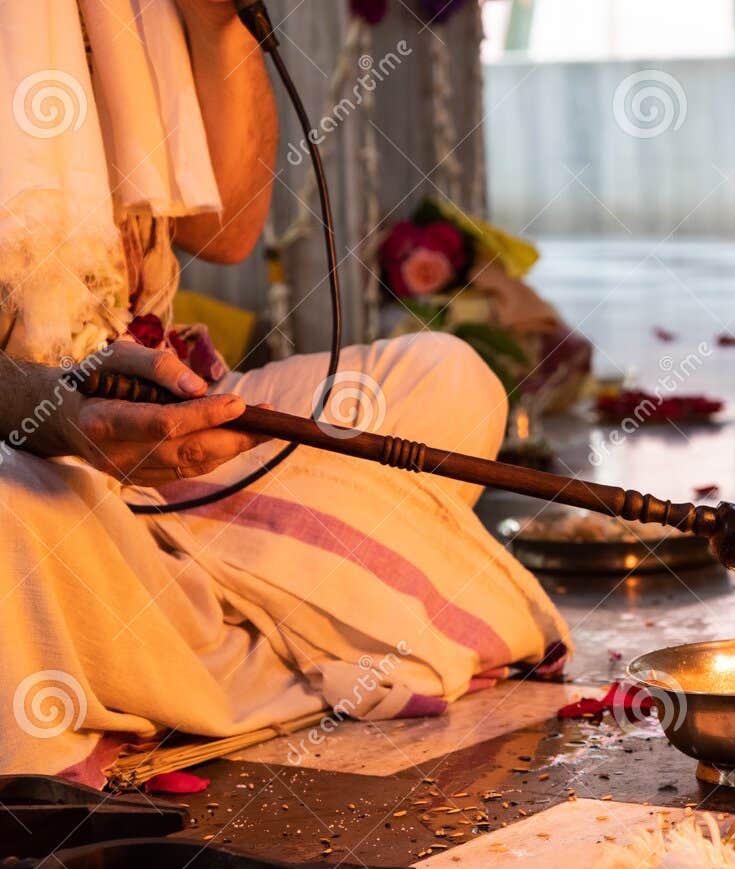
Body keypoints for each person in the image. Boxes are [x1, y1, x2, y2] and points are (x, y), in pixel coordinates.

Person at [0, 0, 567, 781]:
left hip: (161, 413)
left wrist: (214, 25)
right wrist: (53, 411)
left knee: (449, 381)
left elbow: (227, 228)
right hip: (32, 449)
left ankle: (195, 626)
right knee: (10, 506)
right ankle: (262, 626)